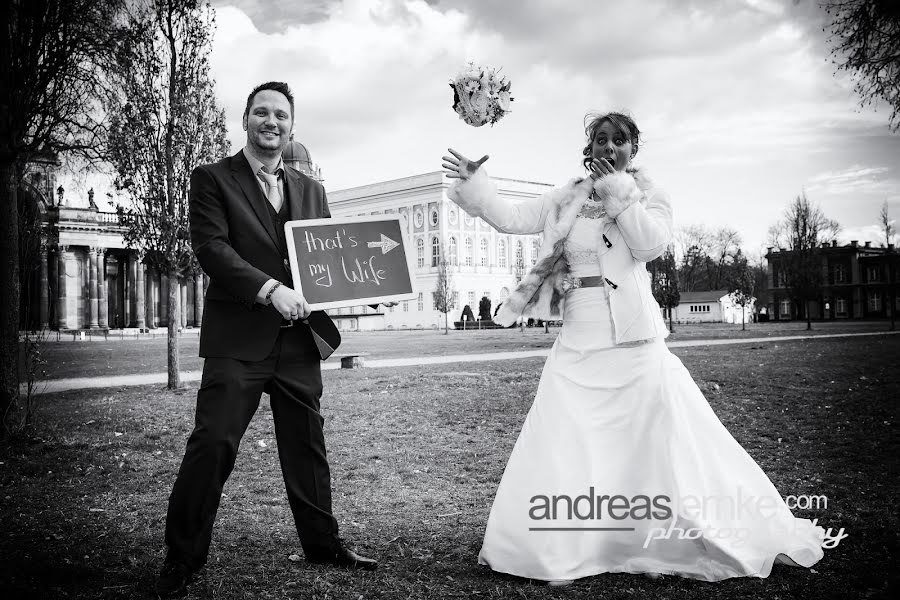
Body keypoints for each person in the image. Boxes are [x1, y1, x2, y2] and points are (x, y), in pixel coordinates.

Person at [441, 112, 826, 585]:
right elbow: (511, 218)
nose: (607, 147)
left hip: (633, 337)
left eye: (618, 140)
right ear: (588, 145)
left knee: (657, 437)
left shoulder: (649, 195)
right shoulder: (567, 196)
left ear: (632, 150)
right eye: (599, 139)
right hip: (578, 334)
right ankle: (571, 540)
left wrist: (619, 194)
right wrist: (477, 185)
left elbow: (649, 246)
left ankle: (658, 532)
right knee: (564, 434)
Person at [156, 81, 377, 598]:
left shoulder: (312, 190)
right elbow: (211, 249)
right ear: (246, 120)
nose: (270, 122)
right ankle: (182, 558)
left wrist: (365, 288)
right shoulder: (211, 179)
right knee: (212, 444)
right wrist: (269, 288)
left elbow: (324, 262)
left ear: (292, 126)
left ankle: (323, 545)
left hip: (298, 343)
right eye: (261, 113)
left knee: (307, 445)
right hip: (238, 339)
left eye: (280, 115)